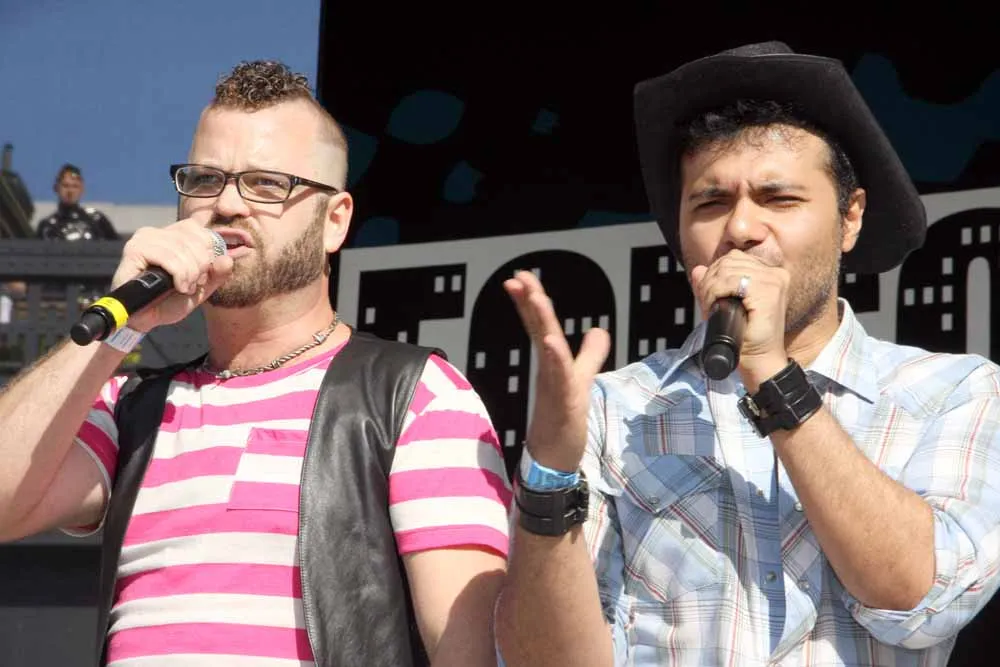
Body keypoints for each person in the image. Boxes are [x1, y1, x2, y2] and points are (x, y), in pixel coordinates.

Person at [495, 42, 1000, 666]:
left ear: (850, 218)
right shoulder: (613, 409)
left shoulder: (953, 390)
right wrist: (548, 479)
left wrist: (771, 373)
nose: (740, 229)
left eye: (779, 199)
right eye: (711, 203)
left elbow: (922, 601)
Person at [0, 60, 511, 666]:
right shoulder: (131, 408)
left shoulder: (414, 396)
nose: (226, 204)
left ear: (335, 221)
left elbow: (470, 651)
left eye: (266, 183)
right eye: (204, 180)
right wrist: (123, 327)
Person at [36, 163, 119, 241]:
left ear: (82, 189)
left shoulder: (96, 220)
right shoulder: (47, 226)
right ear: (56, 188)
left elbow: (118, 247)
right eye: (65, 186)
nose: (70, 191)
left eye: (75, 186)